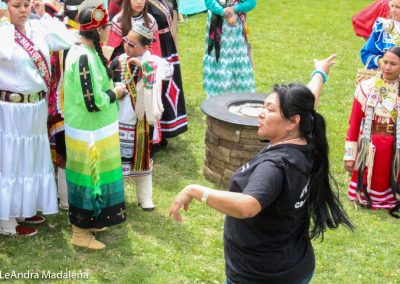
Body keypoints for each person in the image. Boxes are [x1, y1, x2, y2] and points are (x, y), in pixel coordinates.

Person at [170, 55, 354, 284]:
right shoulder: (306, 136)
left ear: (291, 122)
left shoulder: (274, 167)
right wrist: (320, 73)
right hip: (294, 264)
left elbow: (248, 206)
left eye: (269, 109)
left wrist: (195, 190)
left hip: (260, 275)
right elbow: (308, 102)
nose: (260, 113)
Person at [0, 0, 74, 236]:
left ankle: (23, 207)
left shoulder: (38, 28)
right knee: (10, 161)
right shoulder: (3, 33)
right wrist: (4, 21)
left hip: (36, 106)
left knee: (30, 158)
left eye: (26, 5)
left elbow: (66, 40)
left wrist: (44, 16)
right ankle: (7, 221)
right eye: (16, 5)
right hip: (10, 109)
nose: (22, 10)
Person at [63, 0, 127, 249]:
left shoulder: (88, 54)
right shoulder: (82, 58)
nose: (110, 29)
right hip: (87, 131)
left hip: (97, 130)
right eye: (108, 26)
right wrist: (117, 92)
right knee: (87, 179)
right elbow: (93, 102)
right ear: (98, 30)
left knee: (97, 177)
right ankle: (79, 232)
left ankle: (92, 220)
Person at [109, 24, 173, 210]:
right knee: (119, 161)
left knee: (145, 158)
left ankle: (145, 198)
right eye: (126, 41)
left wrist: (143, 66)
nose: (127, 46)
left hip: (144, 122)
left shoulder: (156, 62)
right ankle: (118, 198)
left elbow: (168, 73)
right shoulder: (119, 61)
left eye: (132, 43)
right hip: (122, 120)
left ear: (146, 47)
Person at [345, 47, 400, 215]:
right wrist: (349, 156)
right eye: (385, 62)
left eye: (393, 64)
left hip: (395, 146)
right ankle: (364, 193)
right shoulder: (366, 88)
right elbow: (353, 124)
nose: (387, 67)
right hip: (370, 146)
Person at [47, 0, 83, 211]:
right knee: (67, 155)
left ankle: (65, 198)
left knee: (62, 155)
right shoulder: (74, 38)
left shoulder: (58, 29)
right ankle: (66, 200)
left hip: (55, 103)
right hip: (68, 105)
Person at [147, 0, 188, 142]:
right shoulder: (142, 3)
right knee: (160, 89)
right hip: (158, 48)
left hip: (167, 46)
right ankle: (157, 133)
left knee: (169, 88)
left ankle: (166, 129)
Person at [203, 0, 256, 97]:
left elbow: (251, 3)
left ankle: (242, 98)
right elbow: (209, 2)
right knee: (218, 58)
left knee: (238, 59)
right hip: (217, 27)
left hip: (236, 30)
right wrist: (225, 14)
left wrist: (234, 9)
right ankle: (217, 98)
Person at [361, 0, 400, 69]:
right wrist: (382, 62)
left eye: (398, 7)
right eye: (392, 6)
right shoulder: (382, 28)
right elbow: (366, 53)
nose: (393, 10)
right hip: (386, 76)